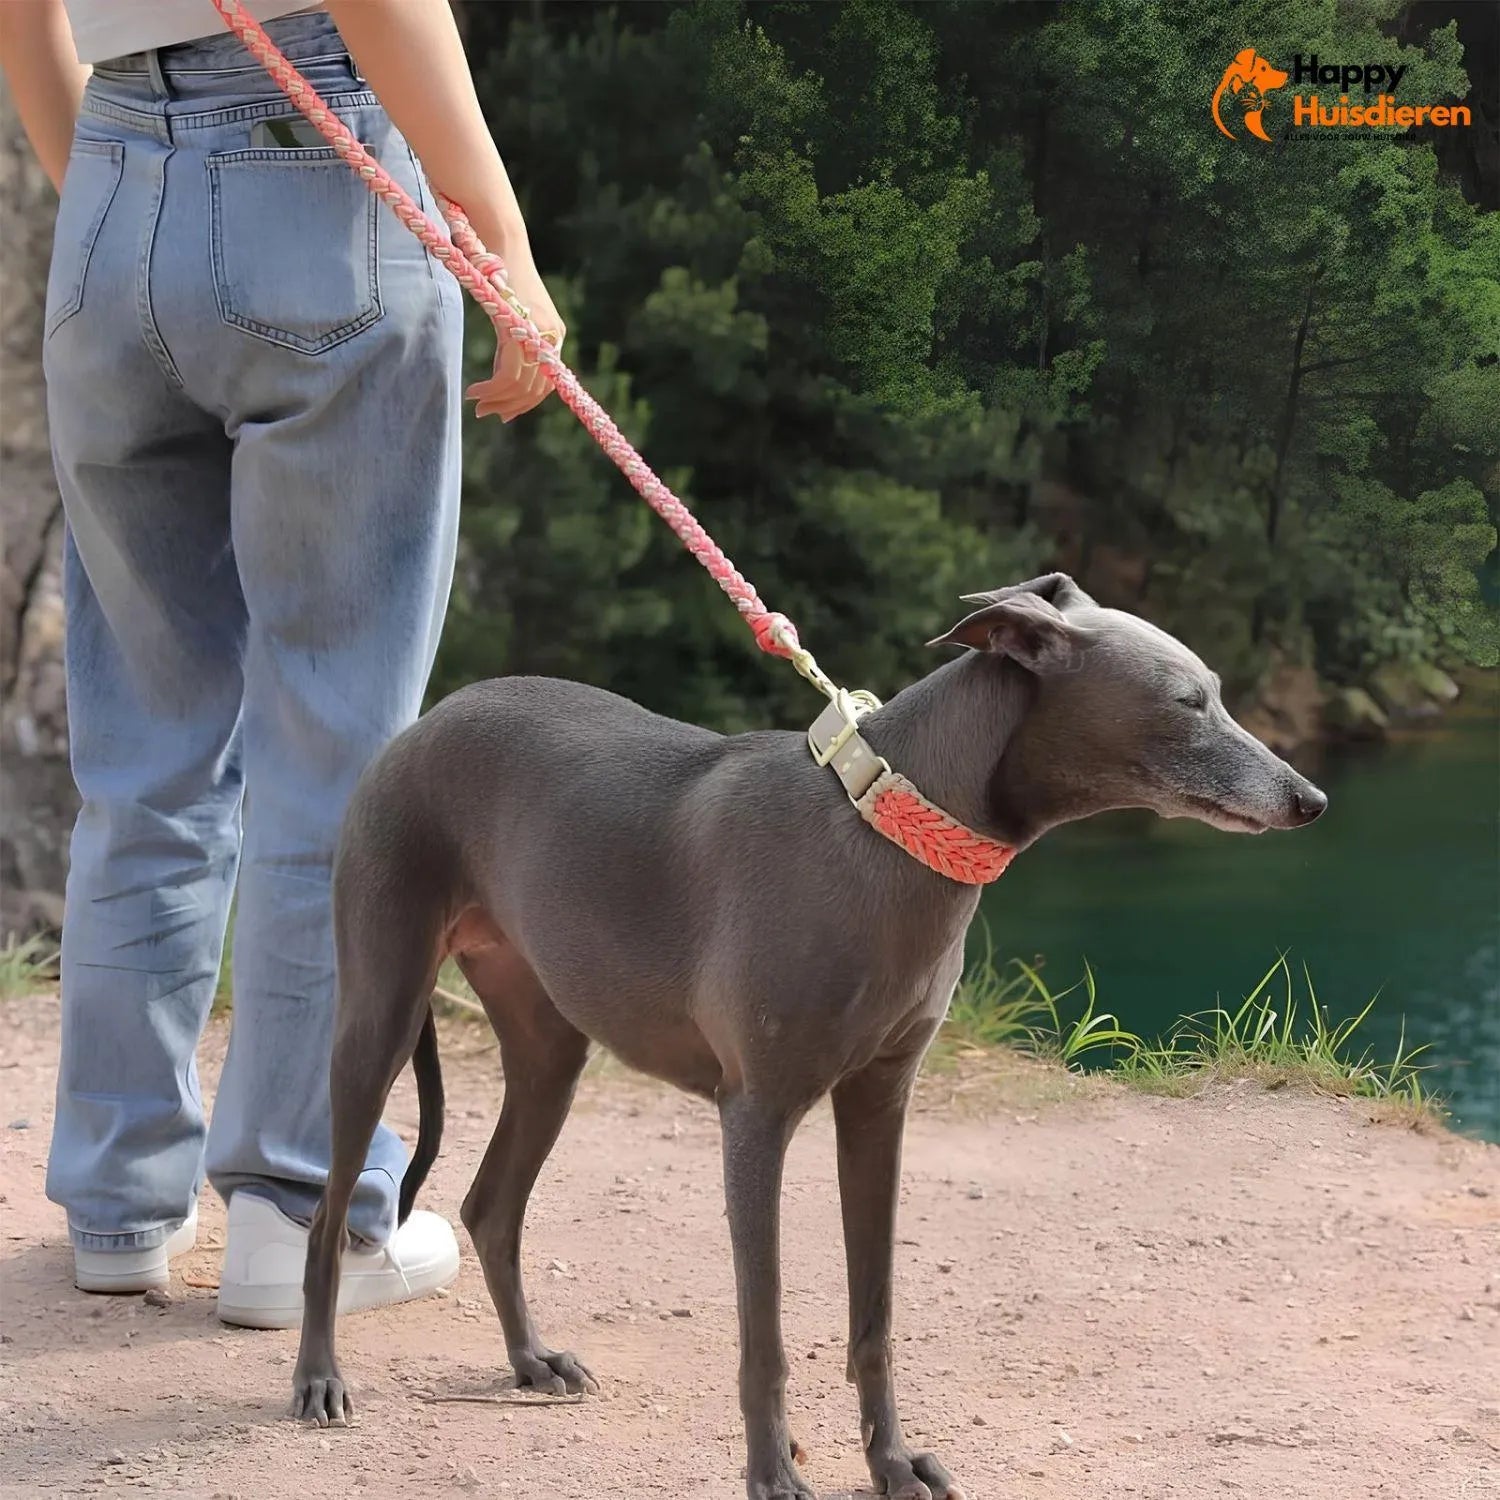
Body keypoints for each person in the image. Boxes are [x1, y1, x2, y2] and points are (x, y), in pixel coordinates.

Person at [0, 0, 563, 1327]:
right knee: (340, 749)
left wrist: (129, 207)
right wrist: (504, 238)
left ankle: (121, 1207)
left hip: (108, 185)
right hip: (314, 164)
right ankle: (298, 1219)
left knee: (145, 754)